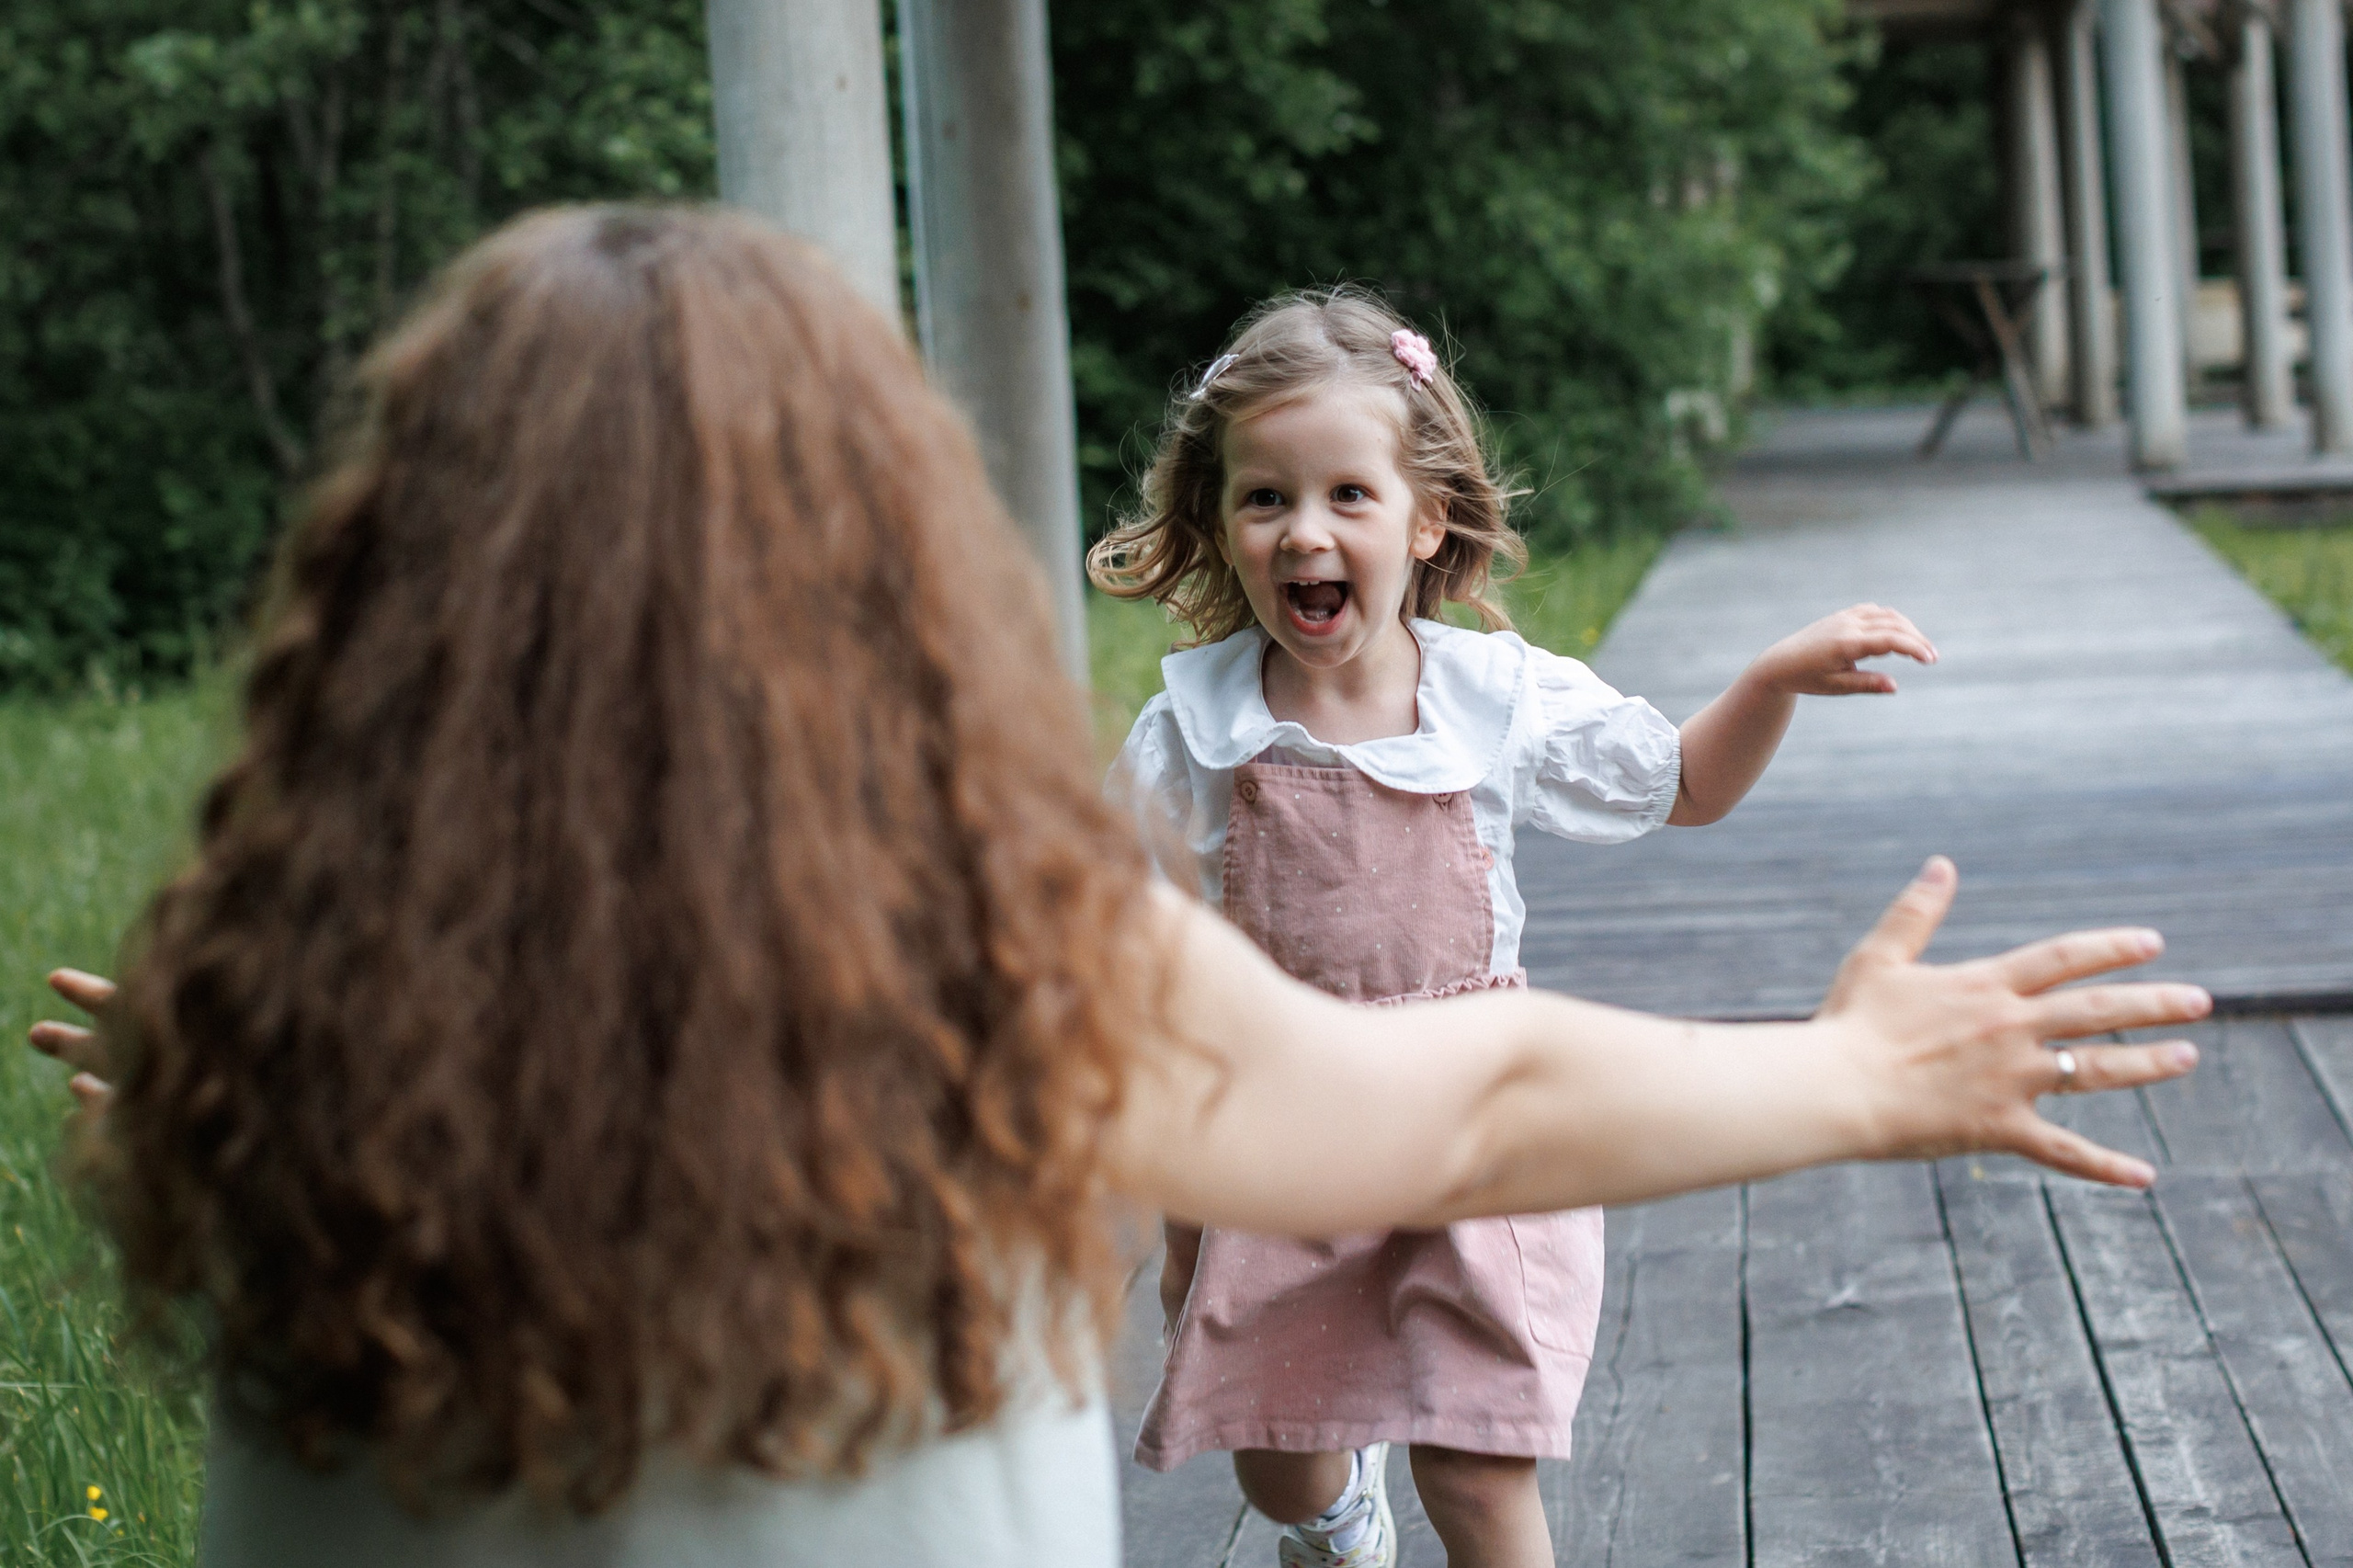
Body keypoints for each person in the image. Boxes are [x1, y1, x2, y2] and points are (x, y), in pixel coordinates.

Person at [27, 205, 2206, 1568]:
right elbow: (1458, 1103)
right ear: (868, 567)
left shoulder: (311, 1059)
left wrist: (243, 1102)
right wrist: (1846, 1075)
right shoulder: (969, 964)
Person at [1086, 289, 1936, 1568]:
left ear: (1425, 519)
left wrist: (1765, 681)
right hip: (1280, 1127)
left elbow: (1685, 784)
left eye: (1347, 497)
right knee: (1279, 1457)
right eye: (1265, 499)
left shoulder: (1489, 697)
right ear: (1219, 520)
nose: (1304, 531)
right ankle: (1333, 1518)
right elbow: (1098, 918)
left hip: (1480, 1127)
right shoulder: (1199, 728)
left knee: (1480, 1476)